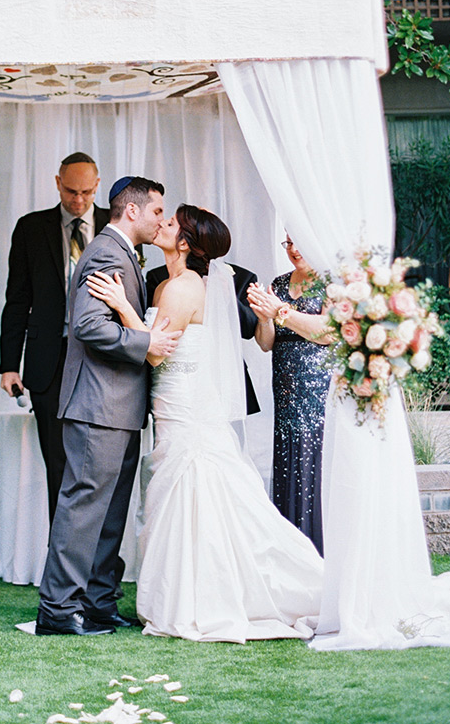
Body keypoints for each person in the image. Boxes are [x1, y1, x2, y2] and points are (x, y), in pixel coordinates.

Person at [86, 205, 323, 642]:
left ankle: (205, 596)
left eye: (171, 223)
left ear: (185, 244)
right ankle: (194, 588)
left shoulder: (183, 288)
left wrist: (121, 306)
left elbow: (155, 352)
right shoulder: (178, 284)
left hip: (187, 410)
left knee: (198, 493)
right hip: (175, 404)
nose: (162, 224)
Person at [35, 177, 181, 636]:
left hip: (117, 406)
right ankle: (58, 610)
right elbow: (88, 326)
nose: (162, 220)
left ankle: (98, 602)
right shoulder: (104, 252)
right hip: (97, 404)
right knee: (82, 509)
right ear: (132, 212)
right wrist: (147, 340)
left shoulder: (120, 254)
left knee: (109, 512)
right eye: (158, 211)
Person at [0, 152, 109, 526]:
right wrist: (9, 365)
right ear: (57, 182)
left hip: (103, 357)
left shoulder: (115, 224)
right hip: (49, 360)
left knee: (100, 461)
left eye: (86, 193)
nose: (78, 201)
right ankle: (61, 563)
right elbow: (17, 300)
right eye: (70, 191)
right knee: (58, 463)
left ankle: (99, 564)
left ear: (97, 186)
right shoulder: (31, 228)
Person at [246, 235, 333, 555]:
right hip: (284, 390)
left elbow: (327, 332)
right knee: (287, 462)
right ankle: (292, 554)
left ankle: (320, 551)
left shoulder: (331, 283)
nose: (294, 250)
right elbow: (266, 343)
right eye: (287, 243)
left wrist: (280, 310)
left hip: (318, 391)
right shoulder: (279, 283)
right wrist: (264, 316)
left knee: (316, 461)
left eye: (300, 242)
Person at [147, 248, 261, 416]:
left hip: (225, 380)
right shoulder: (159, 277)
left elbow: (248, 329)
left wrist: (227, 296)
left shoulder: (242, 277)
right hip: (173, 381)